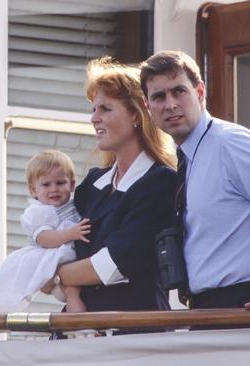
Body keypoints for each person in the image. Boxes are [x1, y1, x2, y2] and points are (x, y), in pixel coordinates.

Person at [139, 50, 250, 337]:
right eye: (159, 97)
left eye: (179, 91)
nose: (170, 104)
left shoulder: (229, 143)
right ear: (147, 105)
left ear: (199, 92)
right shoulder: (190, 156)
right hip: (210, 311)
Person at [54, 57, 176, 330]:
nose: (94, 118)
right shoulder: (93, 184)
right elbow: (58, 243)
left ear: (136, 115)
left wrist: (53, 272)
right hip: (81, 333)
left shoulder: (161, 183)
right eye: (94, 108)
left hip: (135, 335)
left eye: (106, 109)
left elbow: (112, 265)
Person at [0, 150, 90, 313]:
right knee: (71, 291)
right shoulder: (38, 212)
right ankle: (82, 328)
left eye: (60, 183)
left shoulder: (77, 205)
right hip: (51, 257)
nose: (54, 189)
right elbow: (44, 238)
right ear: (33, 190)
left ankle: (86, 326)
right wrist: (71, 234)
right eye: (46, 184)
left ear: (72, 185)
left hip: (73, 257)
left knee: (76, 291)